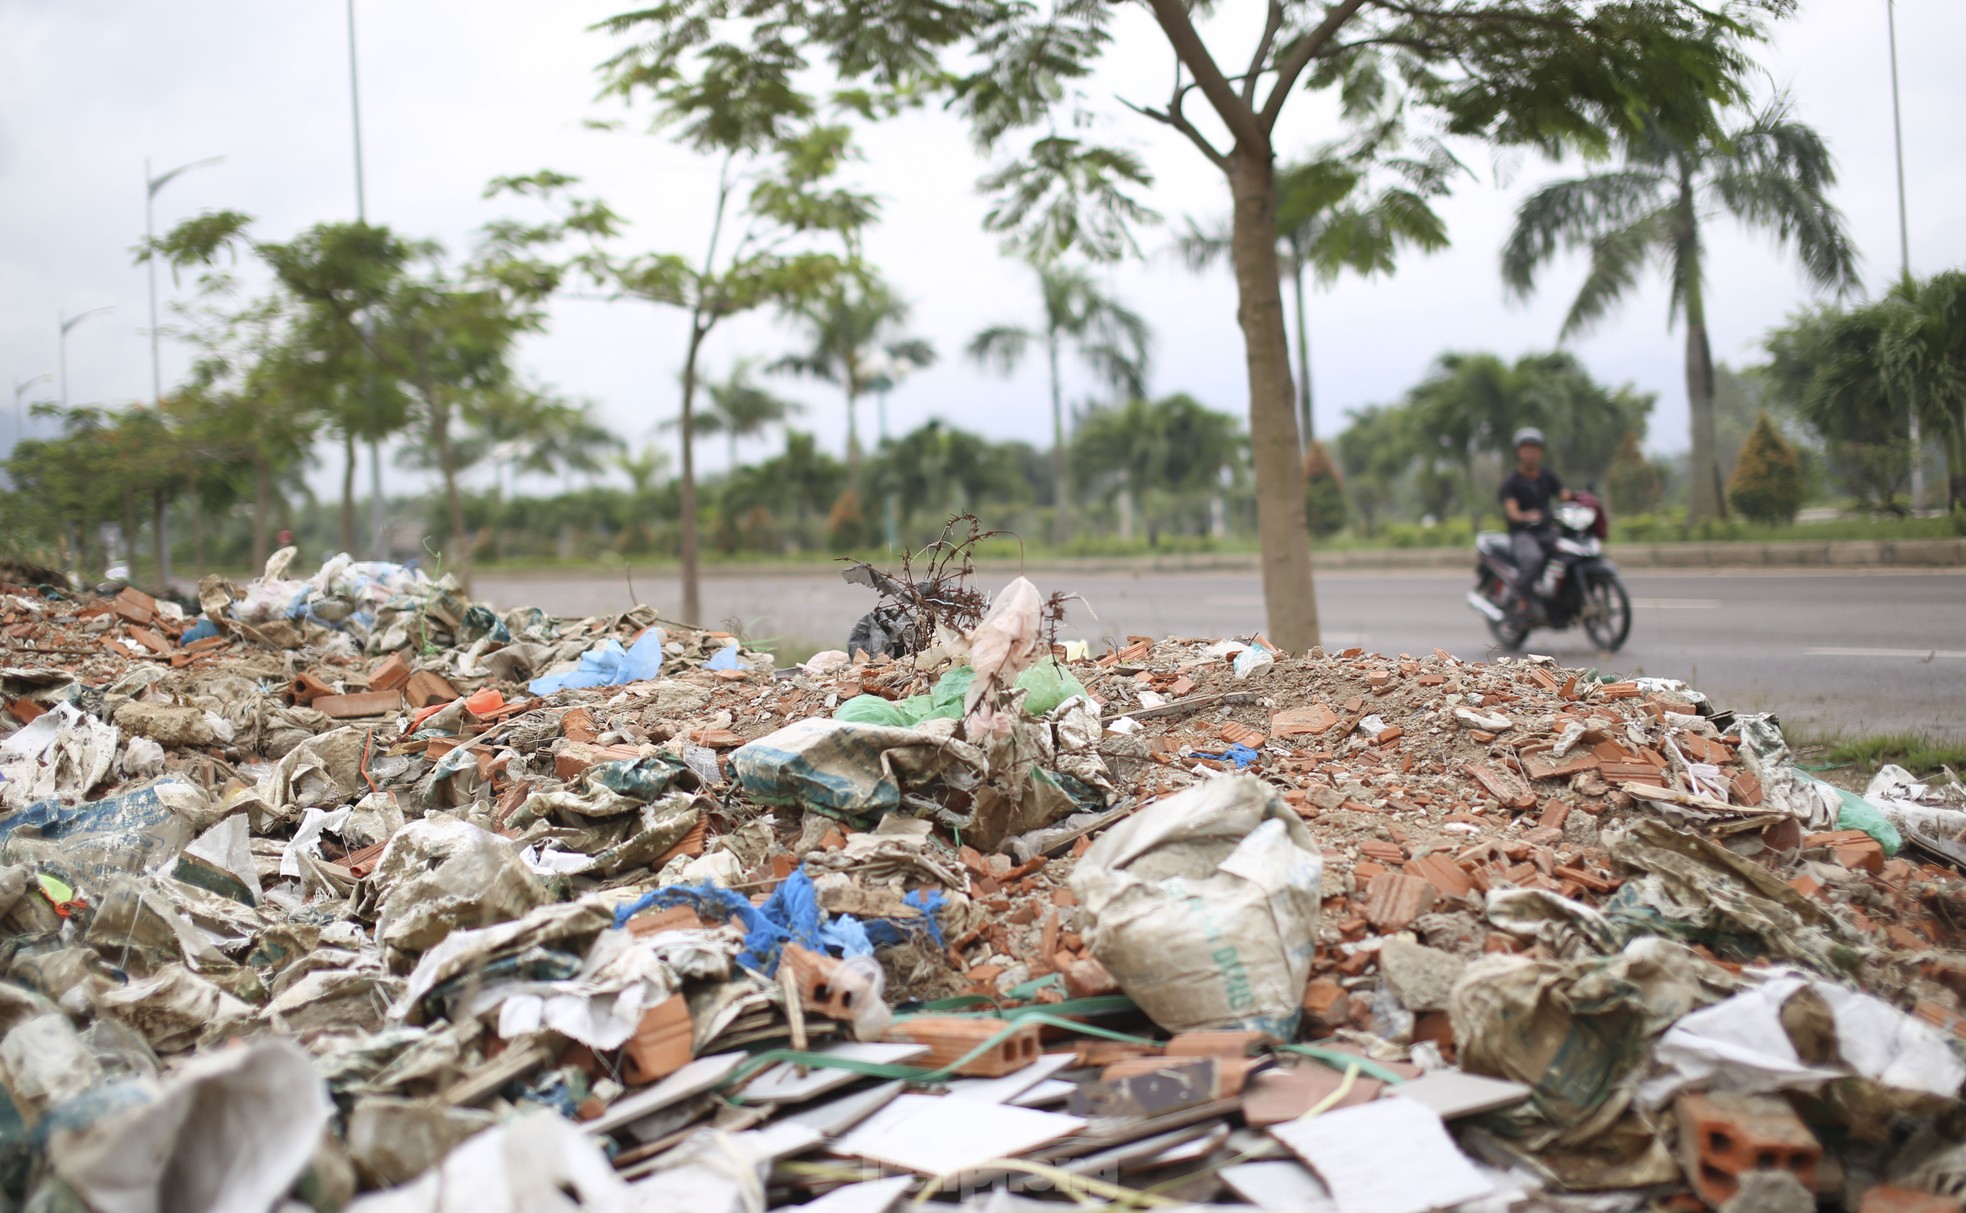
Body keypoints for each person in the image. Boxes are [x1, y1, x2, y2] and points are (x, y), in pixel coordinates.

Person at [1498, 427, 1572, 621]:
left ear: (1541, 452)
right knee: (1532, 559)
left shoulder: (1547, 476)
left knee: (1570, 552)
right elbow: (1512, 512)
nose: (1530, 453)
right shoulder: (1512, 481)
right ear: (1518, 452)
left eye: (1534, 448)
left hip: (1546, 530)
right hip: (1522, 534)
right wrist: (1525, 516)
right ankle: (1518, 598)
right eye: (1526, 449)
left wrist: (1582, 498)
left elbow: (1565, 495)